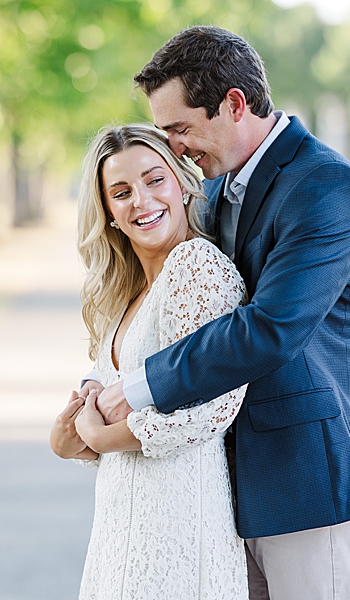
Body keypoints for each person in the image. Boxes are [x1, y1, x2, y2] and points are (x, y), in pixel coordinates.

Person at [89, 27, 350, 600]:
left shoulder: (323, 185)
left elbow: (270, 329)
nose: (174, 148)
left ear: (232, 104)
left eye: (180, 128)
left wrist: (141, 385)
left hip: (305, 482)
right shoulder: (222, 187)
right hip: (225, 488)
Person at [49, 123, 249, 600]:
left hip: (177, 520)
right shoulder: (126, 294)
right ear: (110, 215)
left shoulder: (195, 265)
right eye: (121, 192)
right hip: (122, 521)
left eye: (153, 179)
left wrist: (99, 435)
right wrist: (70, 435)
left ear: (181, 184)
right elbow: (97, 404)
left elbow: (212, 408)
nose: (141, 200)